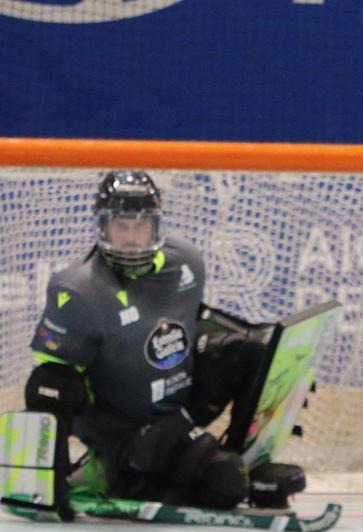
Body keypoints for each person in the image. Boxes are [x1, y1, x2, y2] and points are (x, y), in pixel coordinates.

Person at [23, 170, 287, 511]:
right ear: (103, 228)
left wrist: (255, 343)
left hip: (179, 408)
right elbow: (49, 388)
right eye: (121, 227)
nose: (131, 239)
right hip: (128, 434)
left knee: (250, 351)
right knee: (224, 481)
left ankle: (245, 458)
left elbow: (197, 320)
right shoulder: (78, 292)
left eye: (140, 226)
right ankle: (115, 473)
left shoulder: (186, 262)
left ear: (156, 226)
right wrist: (47, 482)